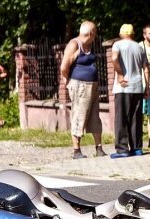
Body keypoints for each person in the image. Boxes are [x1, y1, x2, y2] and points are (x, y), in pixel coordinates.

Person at [59, 20, 106, 159]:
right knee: (79, 116)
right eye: (95, 33)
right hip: (80, 85)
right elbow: (63, 67)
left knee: (95, 117)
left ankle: (99, 148)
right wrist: (68, 80)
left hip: (93, 85)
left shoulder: (89, 45)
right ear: (91, 33)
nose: (95, 36)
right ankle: (76, 150)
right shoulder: (74, 44)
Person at [110, 24, 150, 159]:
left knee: (121, 118)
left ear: (121, 34)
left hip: (123, 87)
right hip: (138, 86)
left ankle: (122, 149)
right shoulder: (140, 47)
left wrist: (120, 75)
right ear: (133, 34)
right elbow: (146, 69)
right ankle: (137, 148)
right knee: (136, 118)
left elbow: (114, 59)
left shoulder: (117, 45)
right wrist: (147, 87)